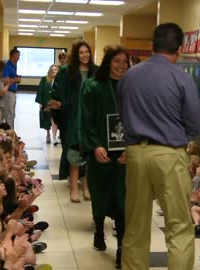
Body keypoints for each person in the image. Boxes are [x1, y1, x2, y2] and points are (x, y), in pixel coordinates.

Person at [117, 22, 200, 270]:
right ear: (180, 48)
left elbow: (122, 116)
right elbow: (194, 124)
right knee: (179, 227)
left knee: (135, 226)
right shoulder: (181, 78)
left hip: (136, 154)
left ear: (151, 46)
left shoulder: (129, 76)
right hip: (169, 155)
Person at [80, 44, 130, 269]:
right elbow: (86, 119)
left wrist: (131, 148)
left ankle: (121, 248)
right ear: (108, 62)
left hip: (124, 155)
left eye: (124, 62)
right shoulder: (93, 86)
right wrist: (95, 146)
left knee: (122, 199)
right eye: (116, 61)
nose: (121, 66)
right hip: (100, 152)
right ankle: (99, 232)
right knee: (100, 195)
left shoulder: (131, 88)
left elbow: (140, 120)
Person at [50, 40, 98, 203]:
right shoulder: (67, 72)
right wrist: (58, 103)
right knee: (74, 151)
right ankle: (74, 189)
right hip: (74, 117)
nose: (85, 55)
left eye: (87, 52)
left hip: (91, 118)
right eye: (81, 53)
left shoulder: (96, 71)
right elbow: (59, 92)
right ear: (76, 55)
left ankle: (87, 187)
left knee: (90, 153)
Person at [36, 64, 59, 144]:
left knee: (54, 121)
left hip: (56, 105)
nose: (54, 71)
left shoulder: (60, 80)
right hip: (46, 103)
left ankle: (54, 137)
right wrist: (41, 103)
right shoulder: (44, 80)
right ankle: (48, 134)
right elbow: (40, 91)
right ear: (49, 71)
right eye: (52, 69)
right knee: (47, 120)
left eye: (56, 69)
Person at [1, 48, 21, 129]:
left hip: (13, 92)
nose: (19, 58)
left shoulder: (14, 66)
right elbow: (3, 79)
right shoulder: (8, 66)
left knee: (12, 114)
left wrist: (15, 79)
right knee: (9, 114)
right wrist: (15, 80)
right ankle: (9, 134)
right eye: (18, 56)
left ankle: (11, 133)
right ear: (13, 56)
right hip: (8, 93)